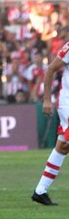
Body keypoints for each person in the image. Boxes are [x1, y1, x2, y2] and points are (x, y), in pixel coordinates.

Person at [31, 41, 69, 206]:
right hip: (67, 102)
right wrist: (47, 99)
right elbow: (51, 69)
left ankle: (40, 191)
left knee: (63, 146)